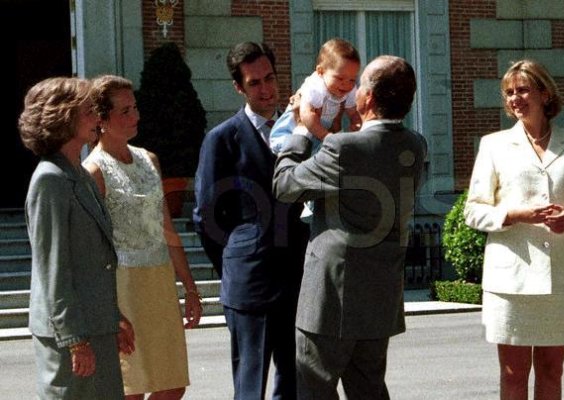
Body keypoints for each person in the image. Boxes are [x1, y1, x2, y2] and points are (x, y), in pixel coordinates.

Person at [273, 55, 427, 400]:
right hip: (380, 295)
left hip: (332, 295)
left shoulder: (343, 147)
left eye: (360, 85)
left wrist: (300, 128)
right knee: (369, 389)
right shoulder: (415, 145)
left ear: (369, 98)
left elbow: (284, 186)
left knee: (314, 388)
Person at [463, 59, 564, 400]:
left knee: (553, 371)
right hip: (511, 282)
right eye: (509, 93)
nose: (515, 98)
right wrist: (515, 214)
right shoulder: (493, 145)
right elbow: (473, 210)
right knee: (513, 376)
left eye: (523, 90)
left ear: (544, 92)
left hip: (561, 278)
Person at [193, 42, 309, 399]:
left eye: (270, 78)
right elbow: (207, 216)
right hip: (250, 283)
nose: (266, 89)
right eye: (255, 82)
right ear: (239, 88)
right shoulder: (221, 139)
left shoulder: (301, 131)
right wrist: (235, 261)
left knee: (296, 380)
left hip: (299, 276)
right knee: (250, 384)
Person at [83, 75, 202, 400]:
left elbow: (166, 227)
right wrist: (110, 310)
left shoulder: (150, 160)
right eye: (124, 111)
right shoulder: (93, 171)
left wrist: (189, 287)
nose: (135, 116)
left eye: (134, 108)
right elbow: (92, 249)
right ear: (101, 120)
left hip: (160, 281)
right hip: (124, 287)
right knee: (130, 388)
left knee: (172, 382)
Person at [19, 76, 135, 399]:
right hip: (71, 335)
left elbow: (95, 260)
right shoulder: (50, 181)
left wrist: (114, 317)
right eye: (87, 110)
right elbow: (53, 268)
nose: (97, 117)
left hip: (96, 327)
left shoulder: (80, 174)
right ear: (62, 118)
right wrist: (74, 340)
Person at [270, 38, 362, 222]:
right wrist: (328, 137)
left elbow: (354, 112)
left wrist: (357, 126)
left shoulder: (349, 90)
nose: (346, 85)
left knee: (319, 163)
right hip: (296, 126)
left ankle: (309, 205)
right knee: (298, 155)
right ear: (321, 72)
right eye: (340, 78)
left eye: (352, 79)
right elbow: (306, 115)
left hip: (320, 131)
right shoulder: (315, 87)